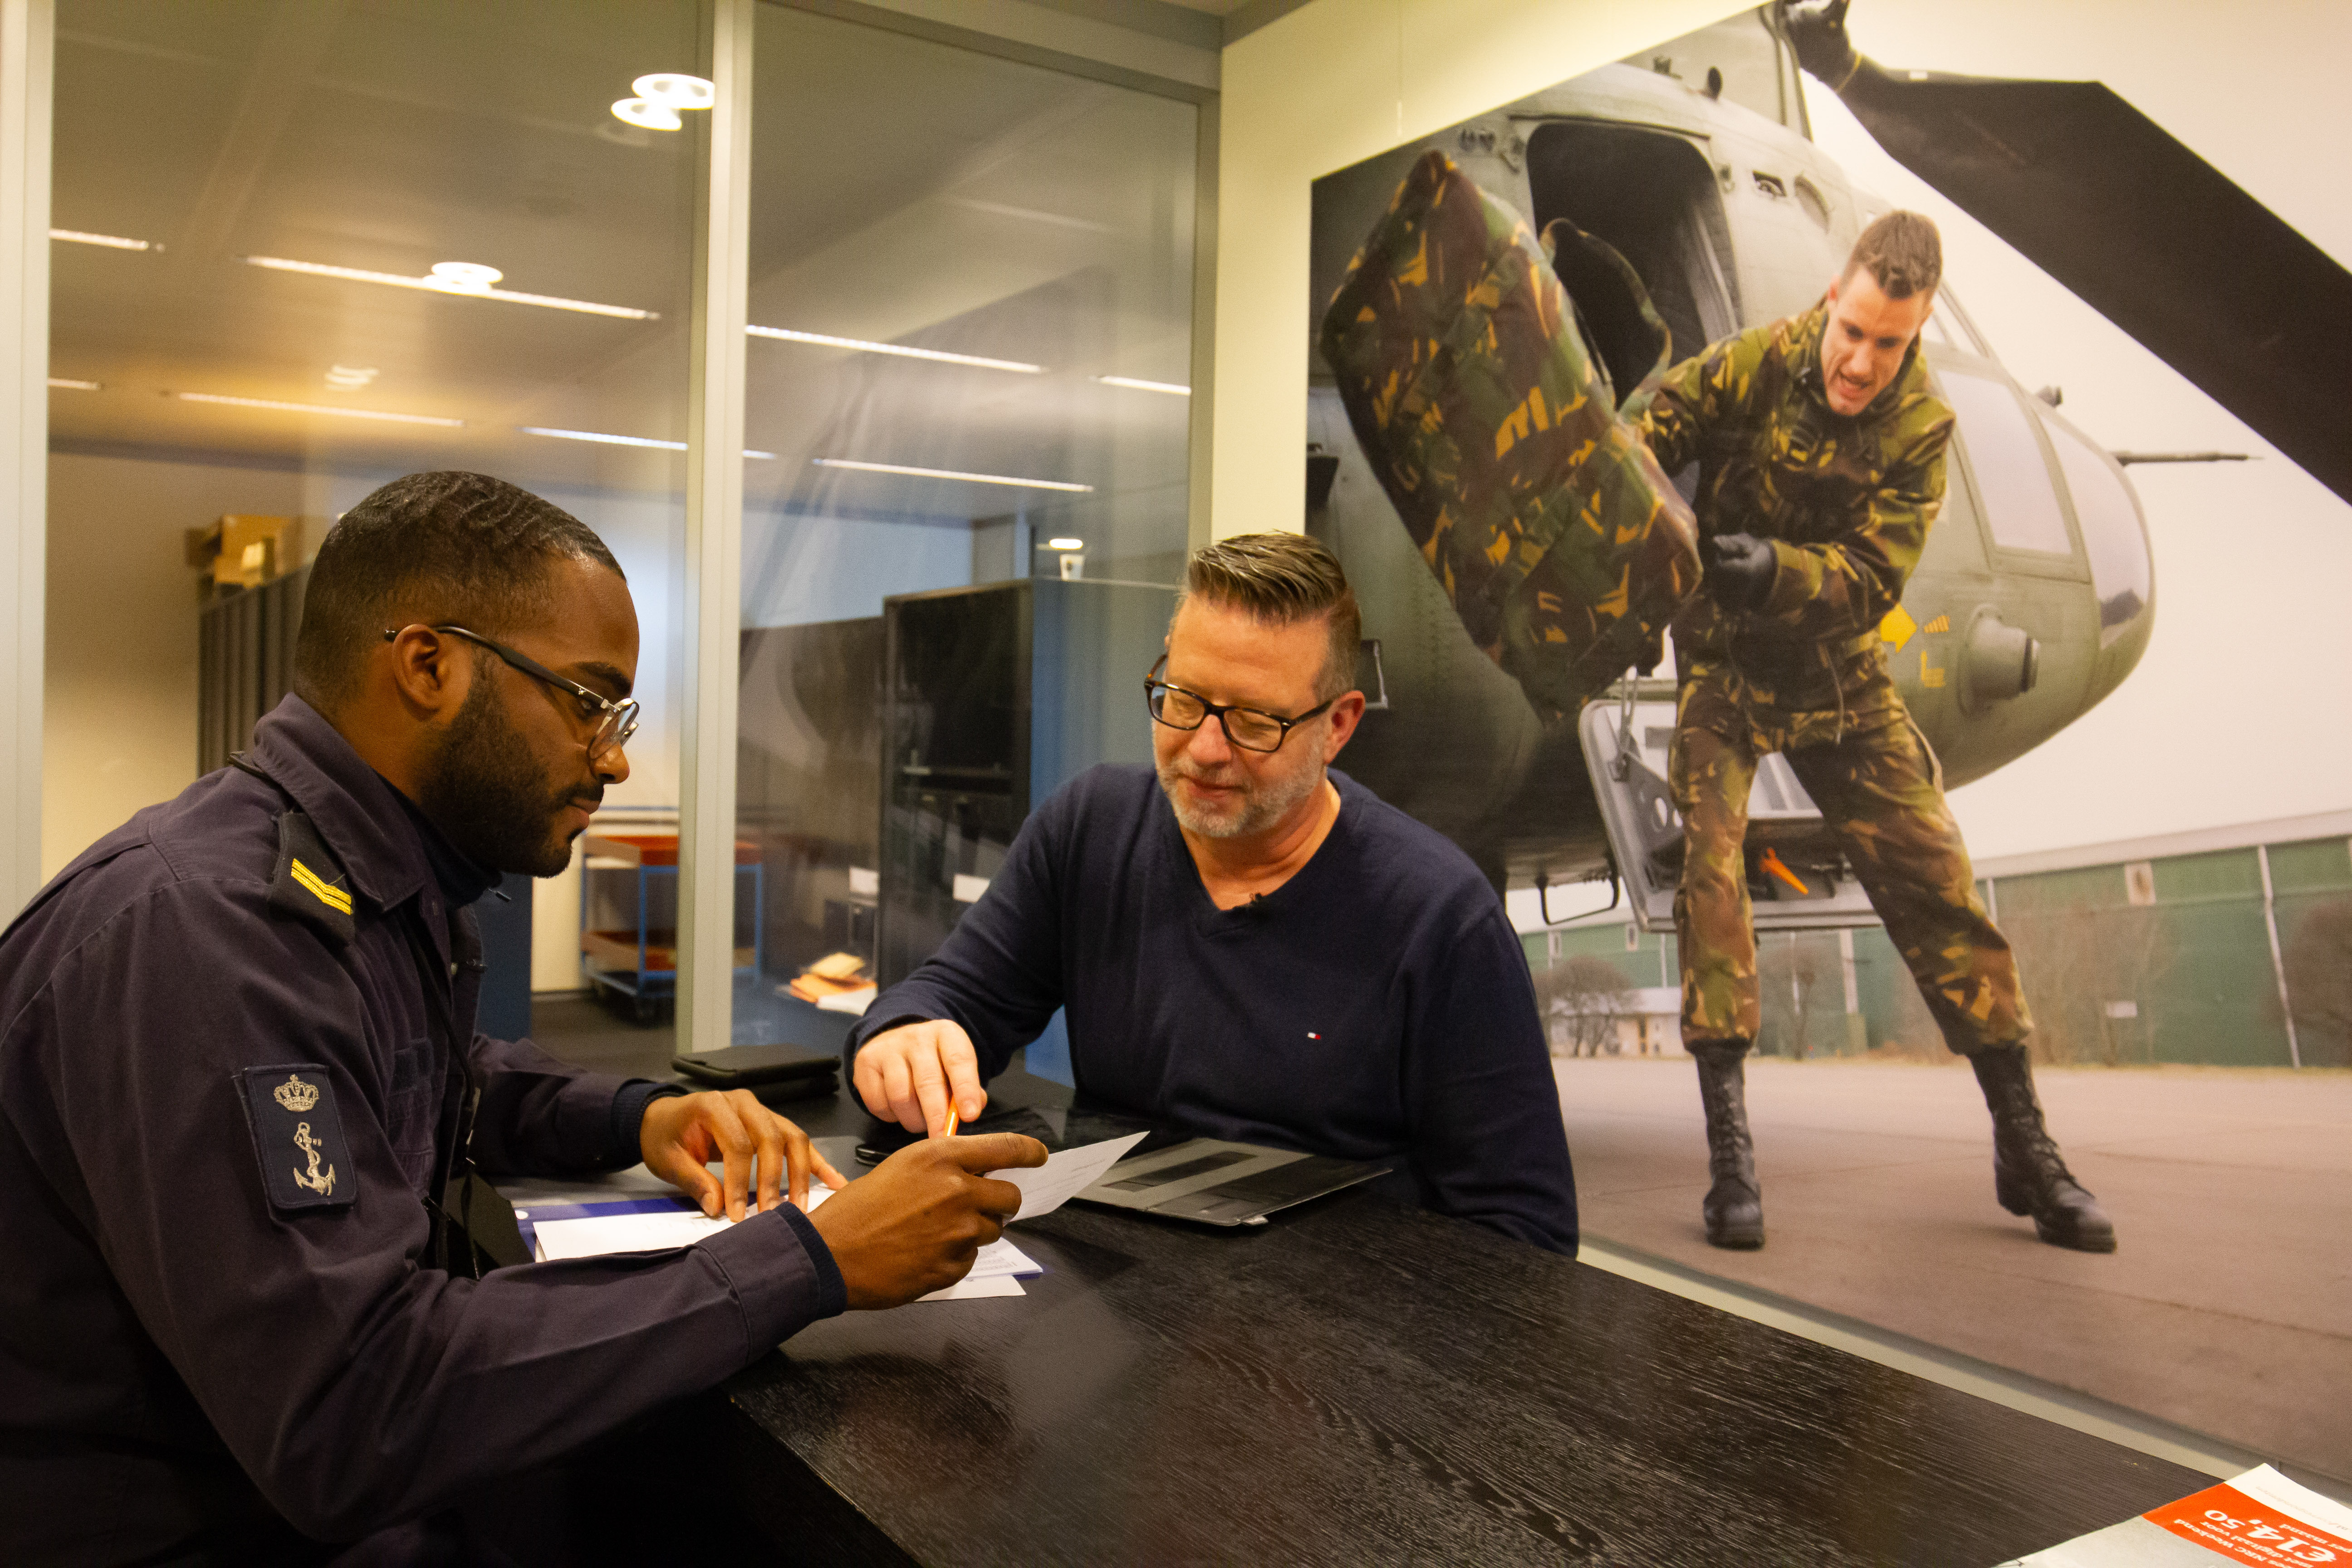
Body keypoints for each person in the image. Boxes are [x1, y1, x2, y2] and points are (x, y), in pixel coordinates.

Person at [0, 471, 1045, 1563]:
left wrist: (635, 1116)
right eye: (588, 699)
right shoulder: (208, 935)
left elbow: (422, 1073)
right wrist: (808, 1260)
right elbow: (353, 1407)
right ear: (428, 665)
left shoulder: (368, 884)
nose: (615, 755)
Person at [846, 533, 1580, 1256]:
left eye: (1256, 722)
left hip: (1331, 1338)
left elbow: (1527, 1235)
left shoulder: (1440, 917)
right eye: (1183, 699)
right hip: (1117, 1304)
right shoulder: (1092, 830)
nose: (1203, 749)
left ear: (1338, 726)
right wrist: (905, 1034)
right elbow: (948, 998)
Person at [1629, 211, 2114, 1254]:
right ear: (1834, 300)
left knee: (1936, 880)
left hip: (1839, 675)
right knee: (1712, 878)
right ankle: (1730, 1159)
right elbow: (1645, 436)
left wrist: (1782, 572)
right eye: (1850, 330)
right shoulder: (1754, 366)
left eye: (1887, 343)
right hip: (1722, 668)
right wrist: (1630, 534)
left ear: (1918, 328)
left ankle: (2025, 1144)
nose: (1858, 361)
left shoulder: (1923, 428)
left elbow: (1870, 581)